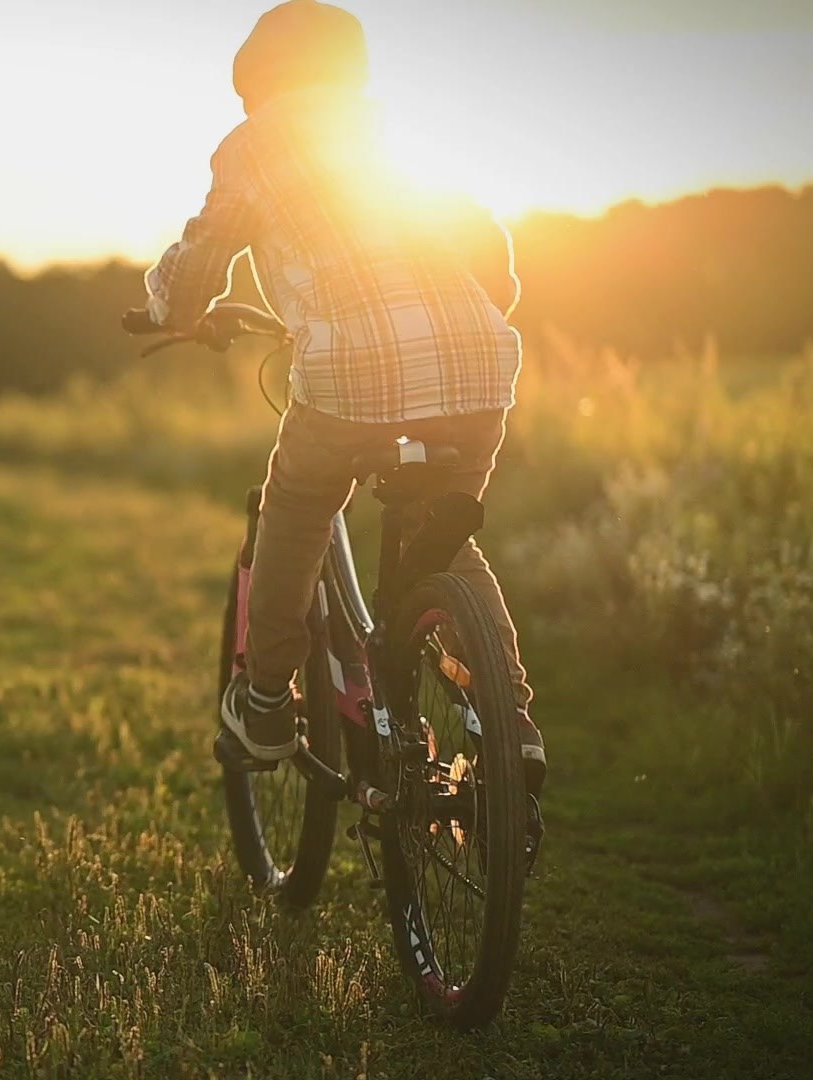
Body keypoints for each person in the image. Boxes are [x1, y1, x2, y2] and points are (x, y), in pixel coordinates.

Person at [142, 0, 545, 796]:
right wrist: (470, 319)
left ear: (256, 79)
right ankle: (516, 730)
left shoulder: (254, 145)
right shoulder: (392, 133)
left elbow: (201, 261)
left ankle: (263, 706)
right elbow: (486, 243)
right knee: (446, 540)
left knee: (294, 507)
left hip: (349, 380)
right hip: (478, 369)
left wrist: (168, 308)